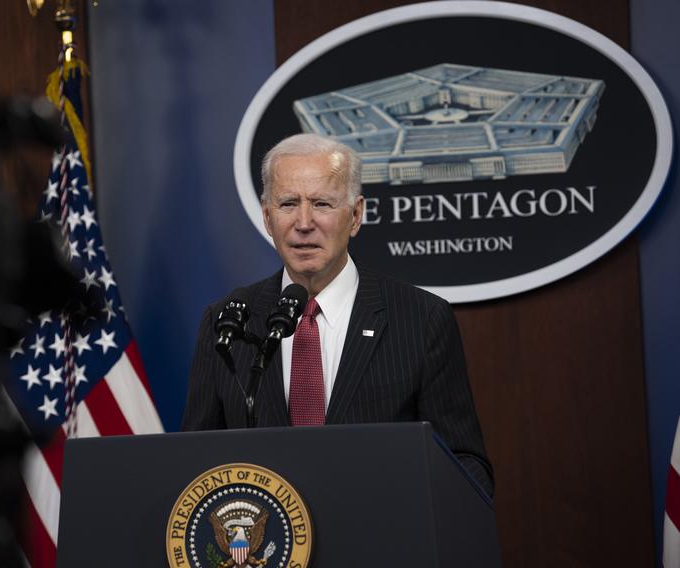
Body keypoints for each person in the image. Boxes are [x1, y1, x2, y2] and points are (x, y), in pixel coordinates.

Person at [181, 133, 493, 496]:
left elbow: (466, 465)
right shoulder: (228, 322)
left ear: (356, 215)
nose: (303, 222)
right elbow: (196, 462)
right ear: (267, 218)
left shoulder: (421, 319)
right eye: (287, 204)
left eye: (322, 204)